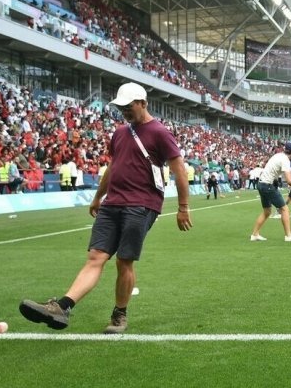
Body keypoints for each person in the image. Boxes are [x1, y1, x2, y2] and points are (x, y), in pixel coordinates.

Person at [19, 82, 192, 334]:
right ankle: (63, 307)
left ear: (143, 103)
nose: (124, 110)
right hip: (112, 203)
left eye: (128, 106)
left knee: (124, 261)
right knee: (95, 257)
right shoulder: (120, 133)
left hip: (142, 204)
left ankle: (119, 315)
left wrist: (183, 207)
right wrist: (98, 197)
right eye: (121, 106)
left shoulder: (160, 132)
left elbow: (179, 169)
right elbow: (113, 167)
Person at [250, 142, 291, 242]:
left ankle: (255, 234)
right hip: (267, 185)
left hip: (261, 184)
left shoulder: (277, 155)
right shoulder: (286, 160)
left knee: (267, 211)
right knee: (284, 209)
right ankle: (288, 235)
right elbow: (289, 180)